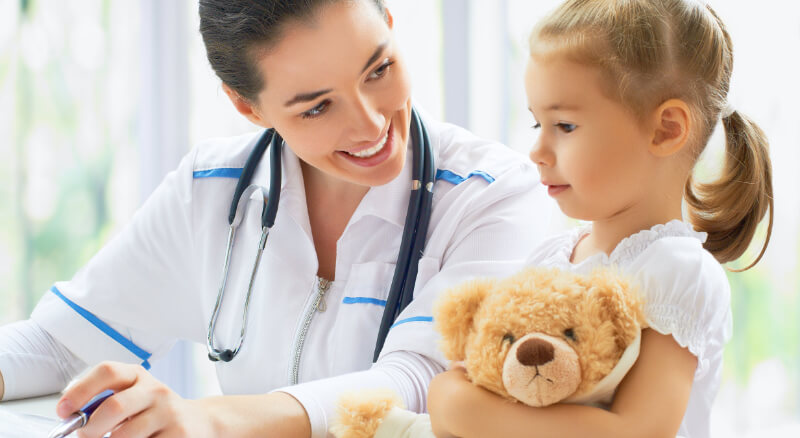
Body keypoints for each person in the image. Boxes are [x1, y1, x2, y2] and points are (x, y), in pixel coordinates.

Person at [0, 1, 550, 437]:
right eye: (317, 106)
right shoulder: (211, 190)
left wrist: (209, 420)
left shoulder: (496, 197)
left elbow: (417, 383)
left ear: (388, 22)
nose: (371, 123)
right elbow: (62, 343)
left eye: (378, 69)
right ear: (248, 107)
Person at [427, 1, 773, 437]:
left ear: (666, 129)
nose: (537, 151)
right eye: (538, 124)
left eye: (565, 126)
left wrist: (460, 408)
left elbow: (637, 431)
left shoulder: (677, 270)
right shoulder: (552, 256)